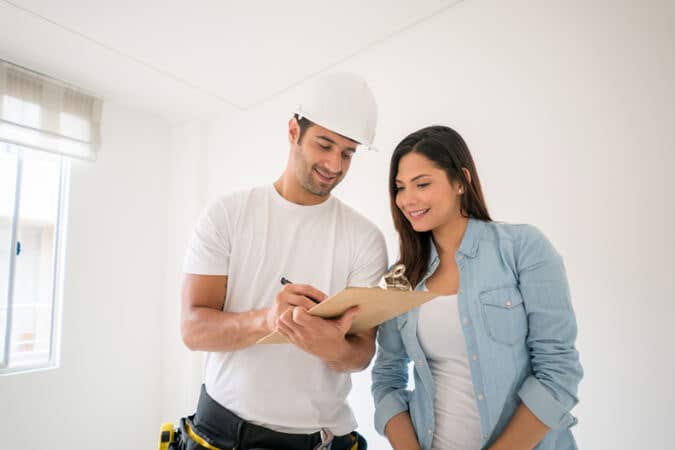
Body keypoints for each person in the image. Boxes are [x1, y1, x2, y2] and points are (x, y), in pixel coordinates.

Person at [180, 72, 387, 450]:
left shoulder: (365, 239)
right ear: (293, 131)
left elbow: (362, 353)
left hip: (324, 441)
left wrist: (331, 347)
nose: (335, 165)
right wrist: (267, 321)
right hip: (223, 436)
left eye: (347, 153)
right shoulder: (227, 215)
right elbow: (193, 329)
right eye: (324, 145)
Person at [371, 125, 583, 450]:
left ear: (461, 181)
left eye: (422, 184)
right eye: (399, 188)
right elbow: (387, 378)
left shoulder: (523, 248)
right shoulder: (398, 278)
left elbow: (558, 372)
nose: (407, 199)